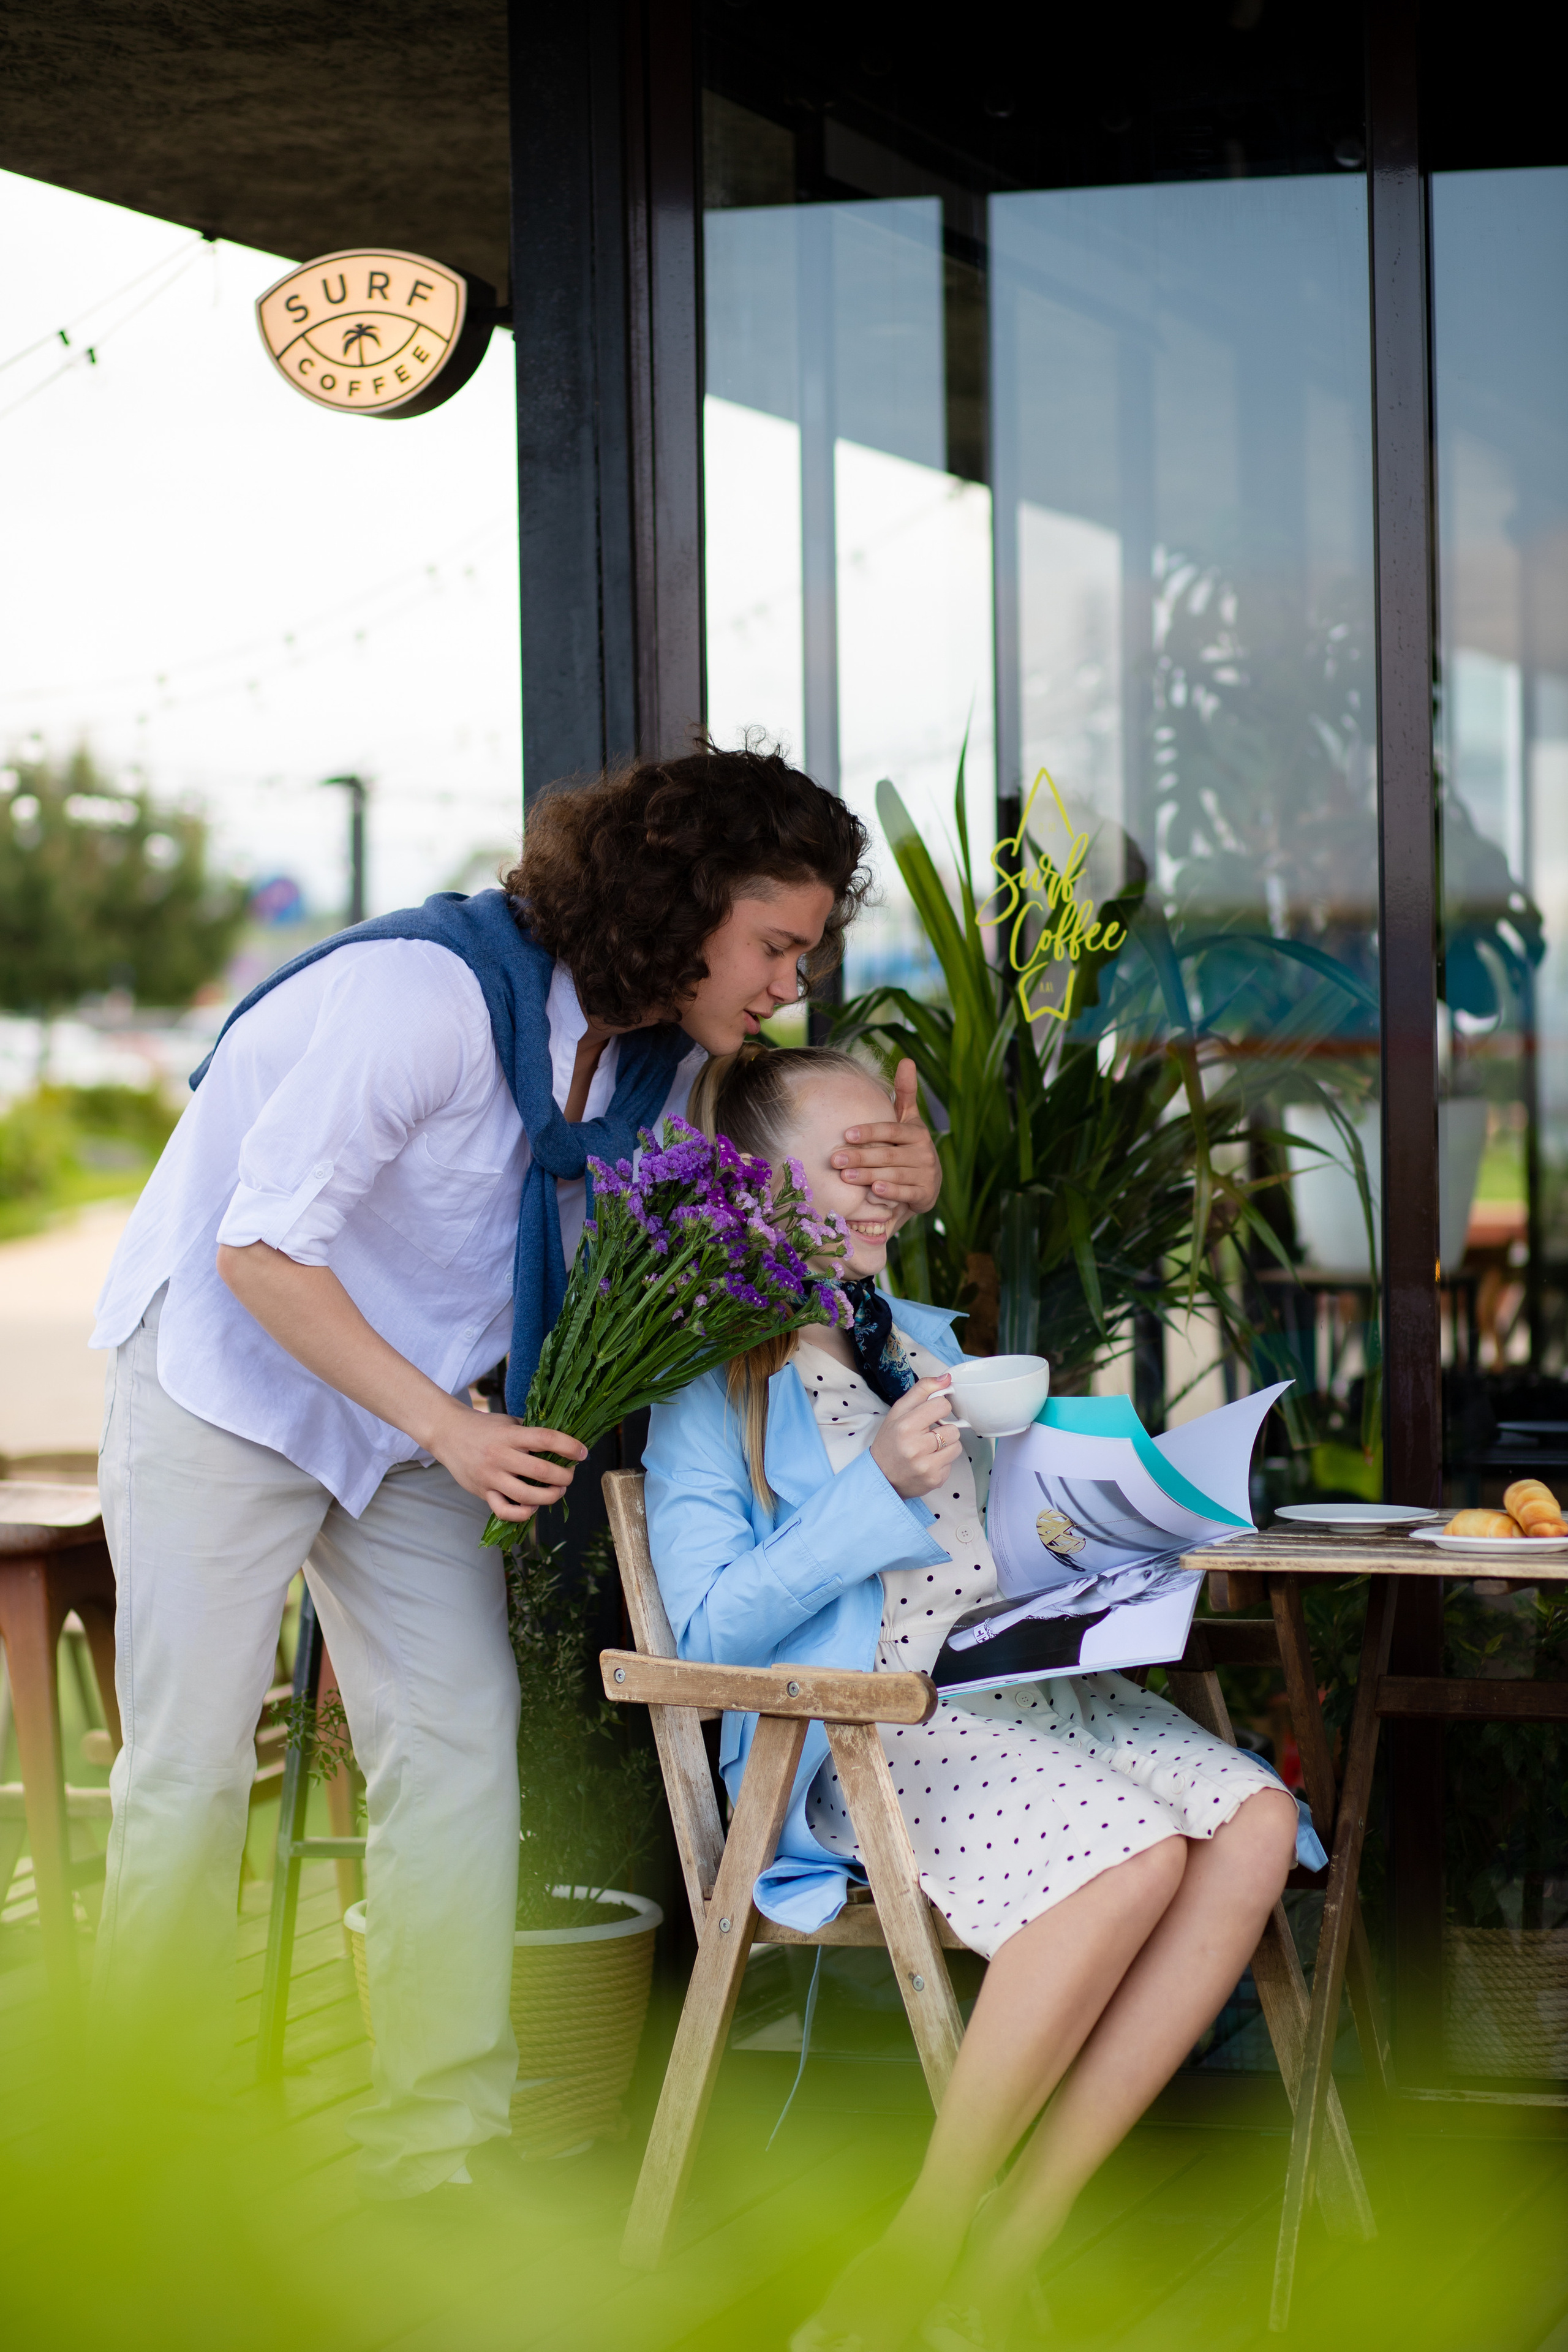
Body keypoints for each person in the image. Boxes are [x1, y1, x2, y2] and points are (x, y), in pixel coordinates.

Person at [89, 745, 943, 2199]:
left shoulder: (665, 1064)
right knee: (190, 1765)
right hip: (229, 1383)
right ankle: (134, 2163)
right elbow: (260, 1255)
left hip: (410, 1412)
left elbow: (784, 1202)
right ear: (678, 906)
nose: (788, 983)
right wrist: (452, 1429)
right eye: (773, 944)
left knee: (456, 1742)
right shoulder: (418, 1000)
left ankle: (433, 2151)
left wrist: (898, 1182)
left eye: (803, 952)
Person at [643, 1044, 1305, 2352]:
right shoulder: (714, 1386)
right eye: (851, 1160)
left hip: (1029, 1697)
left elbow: (987, 1551)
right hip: (877, 1727)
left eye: (892, 1156)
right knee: (1129, 1863)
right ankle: (922, 2245)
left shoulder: (925, 1343)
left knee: (1258, 1825)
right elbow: (708, 1627)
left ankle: (1009, 2251)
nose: (884, 1184)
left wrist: (1105, 1538)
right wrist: (872, 1487)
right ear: (751, 1187)